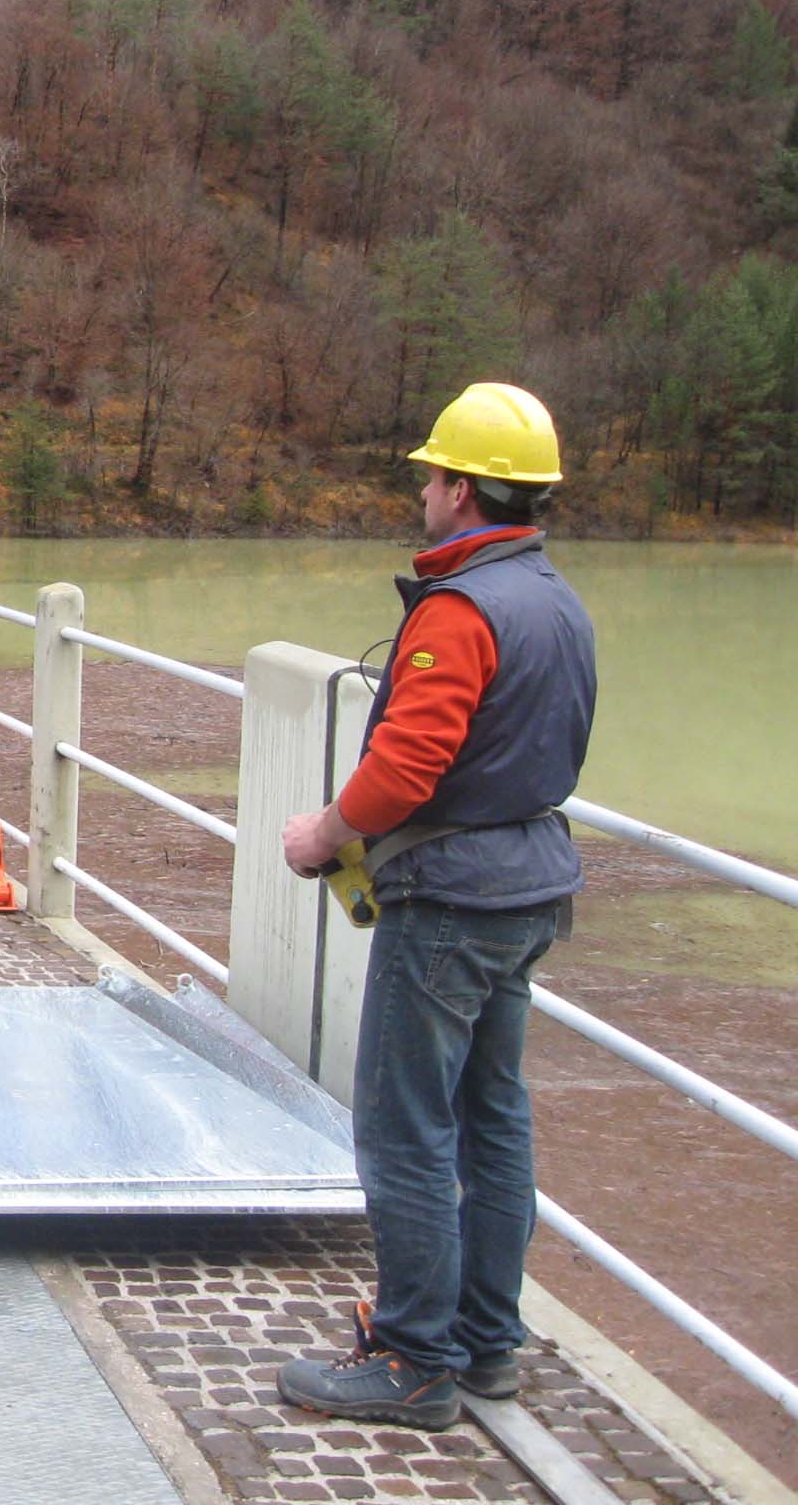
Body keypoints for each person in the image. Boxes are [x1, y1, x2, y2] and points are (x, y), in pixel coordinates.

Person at [275, 381, 597, 1430]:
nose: (422, 491)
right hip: (530, 884)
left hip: (450, 899)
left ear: (462, 490)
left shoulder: (459, 611)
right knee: (492, 1117)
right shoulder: (557, 600)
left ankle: (415, 1360)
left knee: (405, 1127)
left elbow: (407, 769)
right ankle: (487, 1342)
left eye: (430, 475)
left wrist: (325, 833)